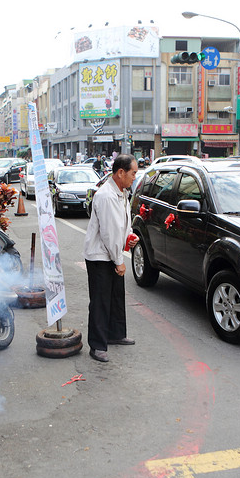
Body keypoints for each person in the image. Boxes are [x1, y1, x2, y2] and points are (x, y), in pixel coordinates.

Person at [82, 153, 139, 362]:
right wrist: (119, 261)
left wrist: (129, 238)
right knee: (100, 300)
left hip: (112, 252)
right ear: (120, 172)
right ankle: (97, 345)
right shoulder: (106, 195)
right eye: (133, 173)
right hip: (100, 255)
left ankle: (115, 334)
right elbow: (109, 232)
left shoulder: (122, 191)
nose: (135, 177)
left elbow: (123, 223)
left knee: (116, 296)